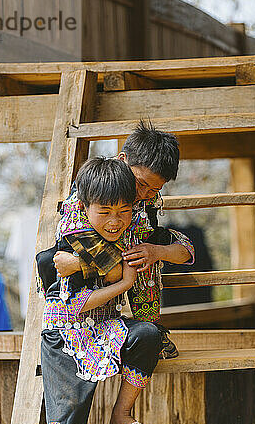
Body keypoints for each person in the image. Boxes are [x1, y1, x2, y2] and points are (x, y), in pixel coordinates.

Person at [38, 157, 166, 424]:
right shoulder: (70, 246)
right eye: (105, 212)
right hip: (65, 331)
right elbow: (73, 305)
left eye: (124, 211)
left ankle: (121, 416)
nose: (115, 221)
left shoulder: (131, 231)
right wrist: (123, 285)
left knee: (147, 335)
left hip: (105, 327)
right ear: (85, 205)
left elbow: (179, 246)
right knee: (69, 406)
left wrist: (162, 253)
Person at [50, 120, 195, 358]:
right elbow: (104, 265)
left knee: (144, 254)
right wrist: (81, 264)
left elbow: (185, 248)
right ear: (122, 159)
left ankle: (151, 328)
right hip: (79, 307)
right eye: (141, 184)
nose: (144, 195)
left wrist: (156, 252)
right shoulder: (91, 191)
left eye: (154, 190)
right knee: (135, 257)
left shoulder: (148, 203)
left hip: (124, 270)